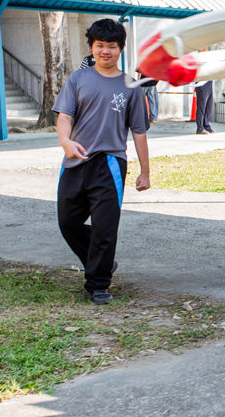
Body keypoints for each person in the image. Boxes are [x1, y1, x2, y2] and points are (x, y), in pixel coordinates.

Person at [54, 19, 150, 305]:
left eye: (112, 46)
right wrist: (65, 142)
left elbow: (139, 131)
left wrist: (145, 172)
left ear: (120, 49)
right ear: (91, 48)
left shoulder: (131, 86)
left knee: (105, 227)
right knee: (68, 222)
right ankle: (102, 262)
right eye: (100, 45)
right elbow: (64, 116)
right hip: (75, 161)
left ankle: (98, 284)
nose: (105, 51)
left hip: (110, 164)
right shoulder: (77, 79)